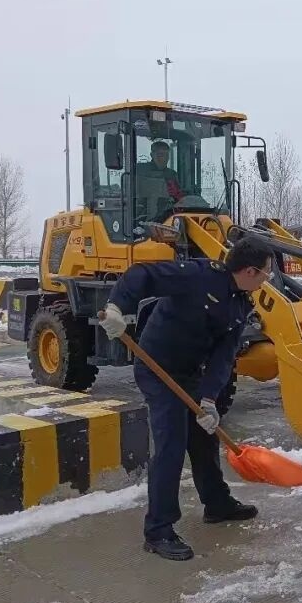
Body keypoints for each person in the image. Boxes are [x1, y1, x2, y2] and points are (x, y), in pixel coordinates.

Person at [98, 237, 274, 560]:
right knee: (172, 443)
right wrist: (115, 307)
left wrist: (209, 400)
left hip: (189, 373)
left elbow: (224, 357)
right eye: (266, 274)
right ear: (250, 271)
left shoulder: (241, 304)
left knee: (204, 438)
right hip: (156, 367)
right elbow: (143, 275)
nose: (266, 280)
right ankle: (158, 529)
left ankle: (217, 503)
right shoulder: (197, 275)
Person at [136, 140, 186, 222]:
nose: (164, 159)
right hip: (142, 216)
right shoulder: (140, 171)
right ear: (152, 155)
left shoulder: (172, 175)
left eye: (166, 155)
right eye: (160, 155)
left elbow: (178, 197)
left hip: (168, 217)